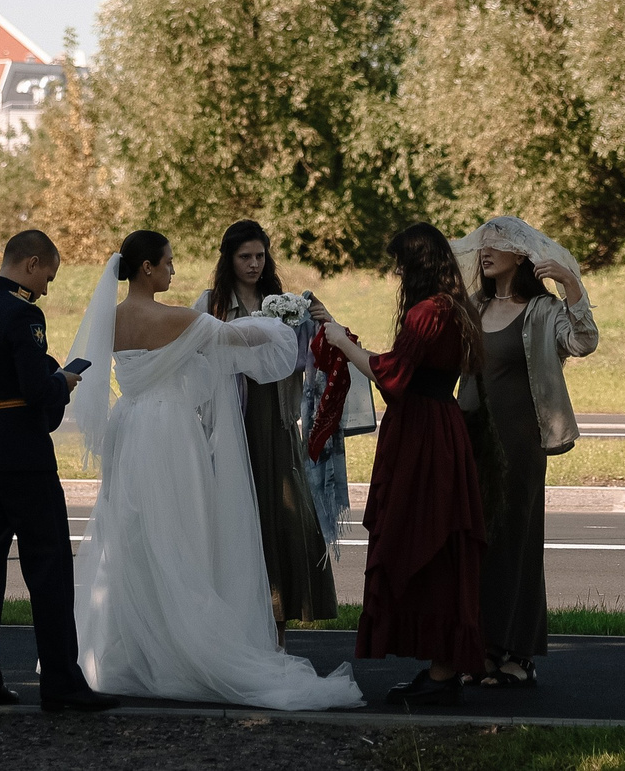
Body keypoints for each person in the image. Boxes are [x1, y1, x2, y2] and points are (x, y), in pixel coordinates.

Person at [62, 230, 365, 709]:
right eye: (168, 262)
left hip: (129, 425)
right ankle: (184, 646)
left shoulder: (109, 320)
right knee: (182, 533)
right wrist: (285, 324)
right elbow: (241, 339)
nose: (174, 271)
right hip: (168, 431)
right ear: (147, 268)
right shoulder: (180, 318)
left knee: (131, 533)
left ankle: (135, 645)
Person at [0, 228, 118, 712]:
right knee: (49, 565)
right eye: (48, 276)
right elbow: (38, 393)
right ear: (32, 263)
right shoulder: (23, 313)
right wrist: (63, 380)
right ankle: (61, 683)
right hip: (22, 451)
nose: (47, 288)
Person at [316, 221, 488, 707]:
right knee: (437, 542)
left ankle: (442, 670)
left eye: (400, 266)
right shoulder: (454, 307)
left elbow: (390, 375)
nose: (396, 275)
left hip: (424, 437)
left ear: (414, 266)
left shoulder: (428, 312)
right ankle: (441, 665)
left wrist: (342, 343)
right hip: (439, 428)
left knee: (423, 540)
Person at [456, 215, 599, 691]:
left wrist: (570, 284)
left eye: (498, 243)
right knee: (473, 543)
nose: (486, 250)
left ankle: (517, 653)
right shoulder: (471, 306)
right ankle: (479, 649)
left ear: (521, 254)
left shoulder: (541, 310)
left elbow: (583, 341)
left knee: (514, 545)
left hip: (520, 444)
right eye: (483, 243)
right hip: (470, 440)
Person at [195, 220, 335, 632]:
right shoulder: (211, 304)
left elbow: (320, 357)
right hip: (230, 422)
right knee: (235, 524)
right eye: (245, 257)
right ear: (229, 260)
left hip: (275, 420)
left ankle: (278, 630)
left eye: (260, 256)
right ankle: (233, 629)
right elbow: (191, 354)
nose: (254, 264)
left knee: (284, 521)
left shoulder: (287, 303)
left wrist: (323, 322)